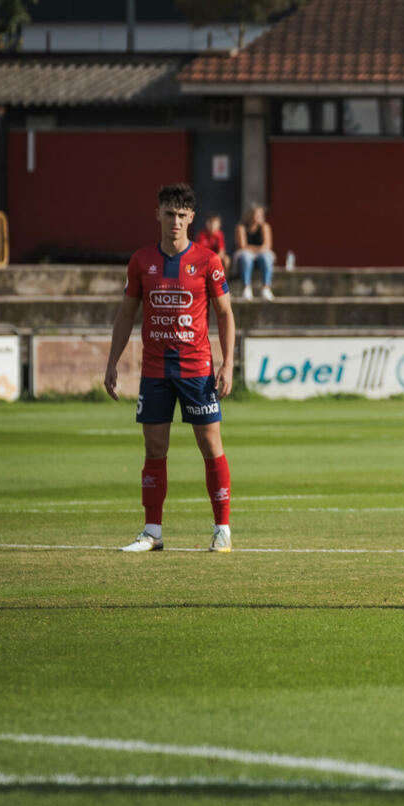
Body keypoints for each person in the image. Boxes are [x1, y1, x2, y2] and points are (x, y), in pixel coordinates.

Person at [105, 183, 236, 553]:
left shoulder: (208, 261)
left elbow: (225, 313)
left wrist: (228, 362)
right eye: (169, 214)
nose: (174, 221)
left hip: (197, 370)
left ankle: (222, 529)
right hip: (155, 371)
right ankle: (152, 532)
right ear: (158, 215)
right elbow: (126, 314)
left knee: (210, 445)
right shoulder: (141, 261)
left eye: (181, 215)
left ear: (191, 217)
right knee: (154, 448)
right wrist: (112, 362)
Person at [235, 203, 277, 300]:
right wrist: (257, 249)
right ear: (250, 215)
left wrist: (253, 249)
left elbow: (267, 245)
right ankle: (246, 288)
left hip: (260, 255)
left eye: (260, 214)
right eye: (257, 214)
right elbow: (242, 246)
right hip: (246, 255)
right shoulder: (241, 227)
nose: (259, 216)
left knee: (266, 257)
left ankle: (266, 288)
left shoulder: (265, 227)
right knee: (246, 256)